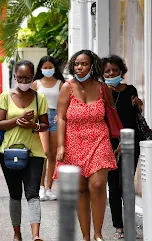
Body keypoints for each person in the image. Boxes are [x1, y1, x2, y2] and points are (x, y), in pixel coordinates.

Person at [55, 50, 117, 241]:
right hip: (73, 140)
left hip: (99, 139)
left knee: (98, 185)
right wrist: (60, 146)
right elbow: (62, 118)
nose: (79, 68)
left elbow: (112, 114)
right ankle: (85, 236)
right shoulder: (67, 88)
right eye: (77, 64)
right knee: (81, 189)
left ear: (93, 67)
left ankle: (98, 233)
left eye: (84, 64)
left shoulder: (102, 88)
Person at [0, 60, 49, 241]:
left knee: (33, 193)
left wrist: (33, 125)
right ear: (14, 77)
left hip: (34, 153)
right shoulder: (5, 96)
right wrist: (18, 120)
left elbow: (45, 125)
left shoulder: (39, 98)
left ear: (33, 77)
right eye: (20, 77)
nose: (23, 81)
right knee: (15, 194)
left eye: (27, 77)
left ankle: (36, 235)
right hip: (9, 152)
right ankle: (17, 234)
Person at [102, 55, 143, 239]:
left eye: (115, 70)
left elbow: (135, 116)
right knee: (114, 185)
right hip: (110, 143)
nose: (112, 73)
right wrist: (107, 96)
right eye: (108, 71)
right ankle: (118, 226)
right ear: (103, 74)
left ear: (121, 71)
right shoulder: (102, 92)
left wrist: (139, 105)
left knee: (126, 184)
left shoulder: (130, 90)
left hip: (129, 142)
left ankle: (129, 223)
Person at [32, 56, 65, 201]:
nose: (47, 70)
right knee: (43, 152)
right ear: (40, 69)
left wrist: (60, 114)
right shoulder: (36, 83)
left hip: (56, 117)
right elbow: (31, 102)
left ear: (55, 68)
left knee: (52, 155)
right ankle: (40, 187)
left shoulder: (60, 84)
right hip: (41, 117)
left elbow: (64, 102)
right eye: (44, 67)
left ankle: (49, 188)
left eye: (50, 67)